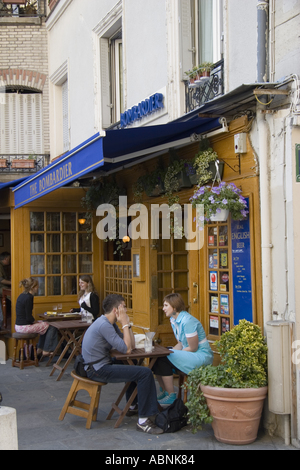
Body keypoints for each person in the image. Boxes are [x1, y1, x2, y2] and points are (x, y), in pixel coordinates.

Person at [82, 294, 163, 435]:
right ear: (116, 310)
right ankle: (143, 421)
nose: (126, 309)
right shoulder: (104, 325)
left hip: (98, 364)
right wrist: (124, 323)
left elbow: (129, 345)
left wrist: (127, 324)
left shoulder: (110, 323)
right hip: (96, 369)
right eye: (124, 307)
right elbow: (126, 349)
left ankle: (133, 405)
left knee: (133, 366)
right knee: (145, 373)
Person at [152, 293, 214, 406]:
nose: (163, 308)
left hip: (201, 356)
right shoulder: (174, 320)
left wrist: (171, 353)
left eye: (166, 305)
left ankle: (171, 395)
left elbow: (193, 348)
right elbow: (181, 343)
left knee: (164, 356)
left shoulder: (187, 321)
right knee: (157, 355)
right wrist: (170, 352)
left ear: (174, 307)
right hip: (190, 353)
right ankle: (165, 391)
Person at [15, 278, 58, 359]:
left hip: (18, 326)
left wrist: (36, 322)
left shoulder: (21, 295)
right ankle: (46, 350)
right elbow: (28, 317)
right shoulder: (29, 297)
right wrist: (34, 321)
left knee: (44, 324)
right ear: (33, 287)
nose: (38, 288)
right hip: (25, 327)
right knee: (51, 325)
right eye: (37, 286)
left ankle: (40, 349)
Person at [0, 252, 11, 330]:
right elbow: (1, 280)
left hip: (4, 286)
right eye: (9, 259)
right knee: (13, 296)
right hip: (1, 287)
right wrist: (12, 282)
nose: (9, 261)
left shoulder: (3, 266)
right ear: (5, 259)